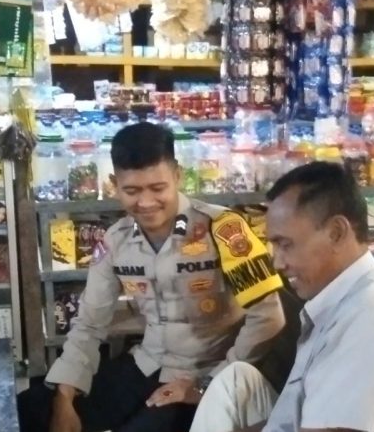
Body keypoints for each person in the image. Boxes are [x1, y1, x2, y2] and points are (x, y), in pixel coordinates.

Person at [17, 122, 287, 432]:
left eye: (158, 189)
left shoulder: (225, 229)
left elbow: (268, 317)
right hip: (147, 363)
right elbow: (90, 324)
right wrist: (64, 398)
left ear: (178, 176)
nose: (145, 203)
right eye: (132, 191)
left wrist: (205, 386)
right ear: (114, 184)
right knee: (31, 407)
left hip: (207, 371)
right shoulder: (115, 241)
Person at [189, 162, 374, 432]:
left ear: (336, 233)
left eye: (285, 245)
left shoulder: (369, 315)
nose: (277, 263)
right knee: (237, 380)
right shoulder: (341, 301)